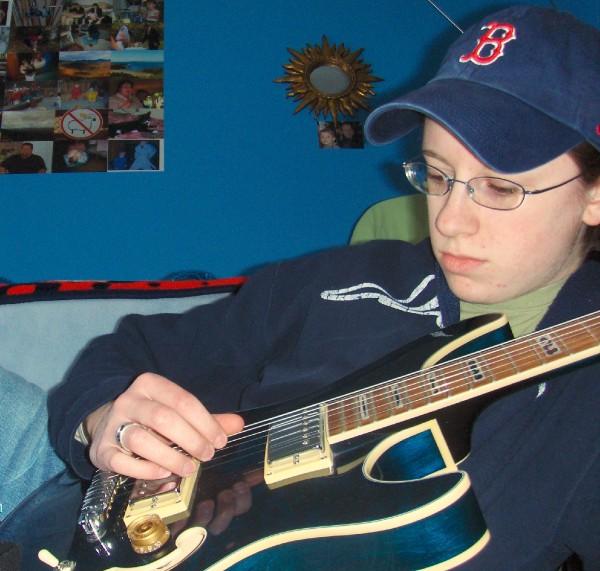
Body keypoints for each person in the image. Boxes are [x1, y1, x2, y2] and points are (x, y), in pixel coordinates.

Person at [4, 5, 599, 570]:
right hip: (96, 515)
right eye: (438, 175)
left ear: (593, 197)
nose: (448, 221)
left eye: (499, 188)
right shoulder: (344, 278)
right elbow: (130, 351)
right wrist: (103, 419)